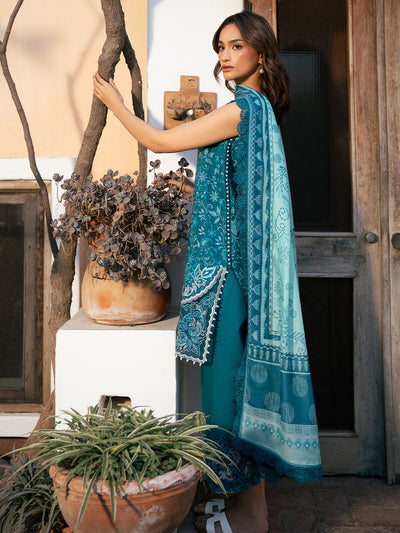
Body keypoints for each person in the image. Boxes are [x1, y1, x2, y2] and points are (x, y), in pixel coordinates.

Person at [93, 11, 322, 533]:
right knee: (230, 391)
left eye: (236, 45)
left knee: (224, 395)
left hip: (227, 279)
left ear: (260, 52)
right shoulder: (259, 112)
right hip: (233, 273)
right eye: (220, 46)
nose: (225, 55)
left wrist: (115, 104)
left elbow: (158, 142)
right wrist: (200, 192)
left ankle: (252, 515)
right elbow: (242, 200)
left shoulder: (241, 109)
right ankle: (239, 504)